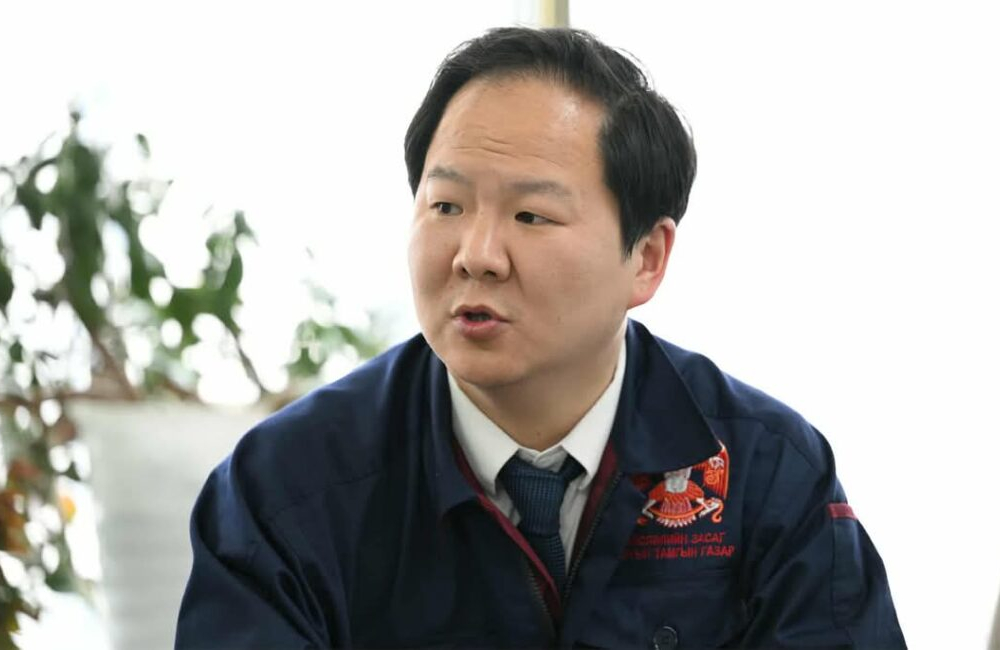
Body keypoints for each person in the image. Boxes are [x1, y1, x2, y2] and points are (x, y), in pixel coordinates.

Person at [175, 27, 905, 649]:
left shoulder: (766, 474)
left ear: (646, 258)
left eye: (531, 216)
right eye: (447, 206)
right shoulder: (286, 487)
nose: (476, 255)